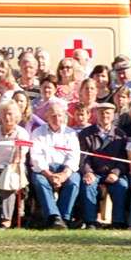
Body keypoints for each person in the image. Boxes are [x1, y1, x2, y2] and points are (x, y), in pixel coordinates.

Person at [28, 97, 81, 227]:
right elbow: (36, 157)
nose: (56, 118)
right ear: (46, 116)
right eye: (53, 115)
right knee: (41, 181)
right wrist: (49, 175)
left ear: (64, 116)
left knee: (74, 182)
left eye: (59, 115)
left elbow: (74, 157)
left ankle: (64, 217)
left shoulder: (71, 133)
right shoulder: (37, 133)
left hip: (64, 169)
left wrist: (64, 174)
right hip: (45, 170)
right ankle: (54, 217)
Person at [77, 99, 129, 228]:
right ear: (95, 114)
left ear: (113, 115)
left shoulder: (120, 135)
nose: (105, 116)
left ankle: (118, 222)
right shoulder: (86, 133)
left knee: (122, 185)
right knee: (88, 185)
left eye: (108, 113)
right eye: (101, 113)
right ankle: (90, 221)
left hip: (113, 173)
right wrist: (88, 172)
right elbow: (83, 156)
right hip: (94, 172)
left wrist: (116, 173)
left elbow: (124, 158)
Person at [0, 98, 30, 228]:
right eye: (4, 113)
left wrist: (9, 169)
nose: (7, 117)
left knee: (7, 181)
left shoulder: (22, 133)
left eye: (10, 113)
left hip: (13, 167)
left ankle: (6, 220)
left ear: (16, 116)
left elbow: (20, 155)